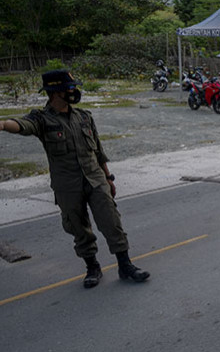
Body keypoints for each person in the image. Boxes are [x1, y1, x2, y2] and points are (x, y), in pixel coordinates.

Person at [0, 70, 149, 288]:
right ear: (55, 92)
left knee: (111, 222)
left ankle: (125, 265)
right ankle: (92, 268)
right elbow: (22, 125)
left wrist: (108, 177)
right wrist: (3, 124)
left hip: (96, 180)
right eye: (69, 88)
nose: (74, 91)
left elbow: (98, 150)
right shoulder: (41, 120)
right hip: (67, 186)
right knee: (79, 229)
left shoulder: (85, 116)